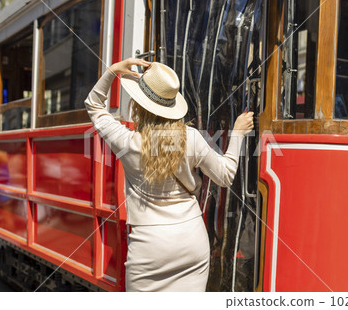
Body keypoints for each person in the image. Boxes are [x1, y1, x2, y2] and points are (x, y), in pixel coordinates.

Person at [85, 58, 254, 292]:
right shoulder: (192, 138)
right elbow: (225, 176)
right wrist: (237, 134)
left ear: (139, 105)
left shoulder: (126, 142)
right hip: (191, 242)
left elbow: (94, 105)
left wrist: (113, 71)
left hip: (149, 247)